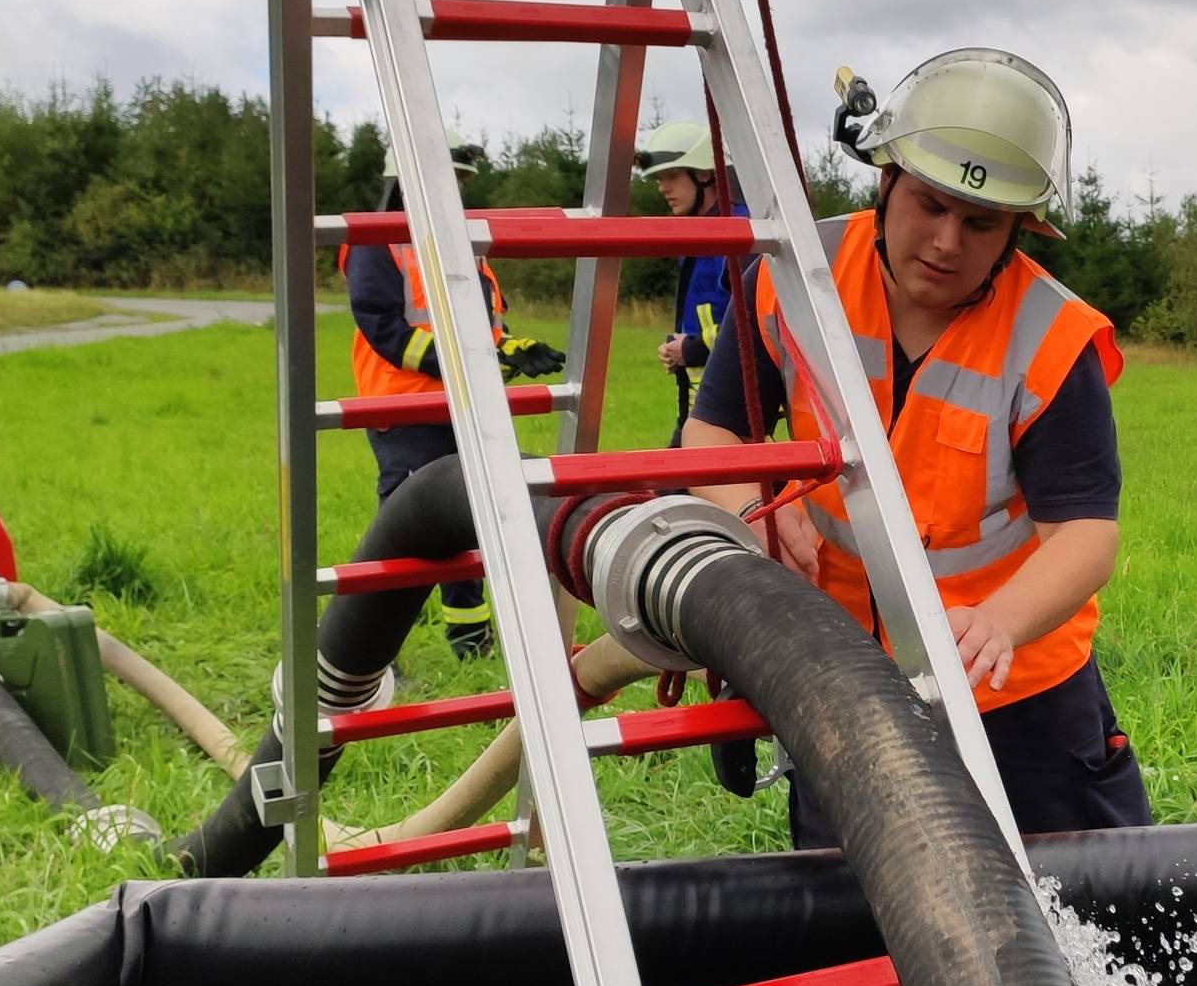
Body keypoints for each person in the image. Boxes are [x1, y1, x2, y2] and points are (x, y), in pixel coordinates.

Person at [677, 48, 1147, 848]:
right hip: (840, 673)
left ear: (1018, 231)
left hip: (1014, 692)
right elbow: (709, 433)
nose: (945, 241)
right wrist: (746, 506)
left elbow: (1087, 536)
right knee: (859, 919)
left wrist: (999, 622)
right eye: (929, 204)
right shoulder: (792, 277)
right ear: (885, 180)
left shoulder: (1053, 340)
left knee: (1079, 921)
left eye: (981, 223)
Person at [341, 127, 565, 657]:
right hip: (404, 408)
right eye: (449, 179)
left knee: (468, 514)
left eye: (460, 181)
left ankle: (470, 638)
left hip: (462, 404)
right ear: (407, 180)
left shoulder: (459, 241)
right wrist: (472, 360)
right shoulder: (376, 239)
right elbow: (385, 330)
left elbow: (480, 325)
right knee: (403, 523)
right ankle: (363, 642)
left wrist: (509, 347)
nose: (456, 191)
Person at [636, 120, 748, 447]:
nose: (662, 188)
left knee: (674, 493)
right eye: (659, 179)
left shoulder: (740, 234)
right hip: (703, 403)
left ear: (704, 174)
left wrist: (691, 349)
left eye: (671, 177)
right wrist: (678, 348)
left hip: (731, 410)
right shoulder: (699, 232)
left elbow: (754, 324)